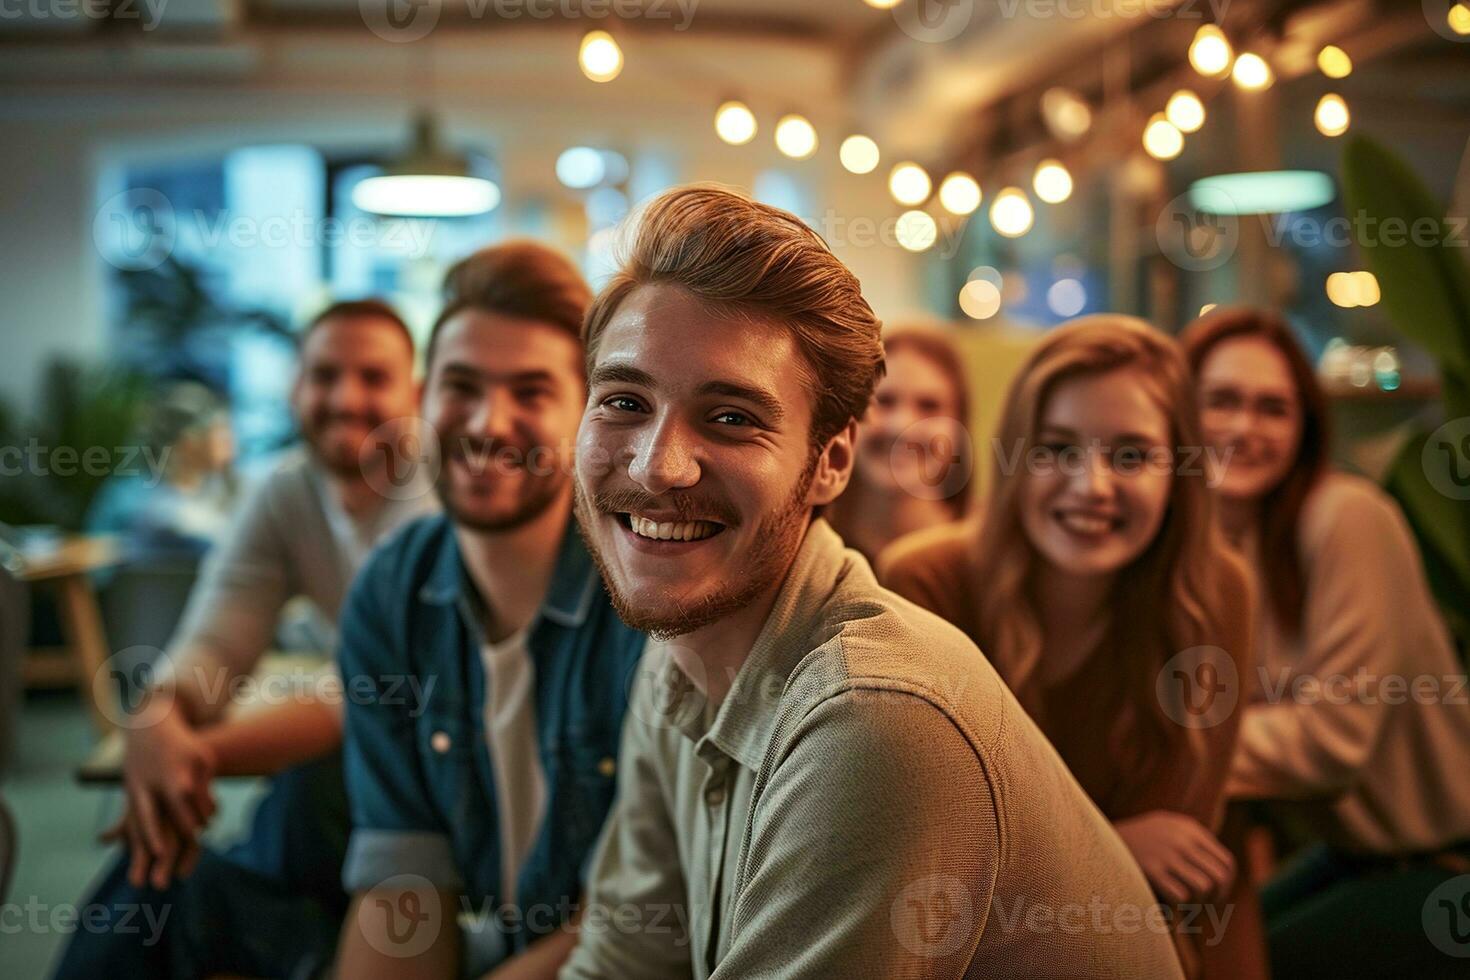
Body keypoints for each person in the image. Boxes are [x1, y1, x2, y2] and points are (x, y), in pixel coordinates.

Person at [558, 186, 1185, 979]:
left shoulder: (874, 717)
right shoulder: (674, 655)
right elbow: (624, 962)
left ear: (831, 463)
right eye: (623, 401)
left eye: (730, 419)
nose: (658, 465)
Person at [53, 299, 438, 980]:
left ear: (415, 392)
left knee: (262, 822)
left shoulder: (442, 494)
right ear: (294, 388)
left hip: (437, 813)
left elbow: (368, 694)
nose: (345, 397)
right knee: (160, 872)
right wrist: (158, 713)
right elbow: (214, 643)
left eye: (373, 377)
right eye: (324, 375)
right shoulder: (284, 490)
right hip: (340, 804)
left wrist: (186, 757)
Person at [879, 315, 1263, 979]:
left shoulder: (1216, 589)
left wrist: (1052, 851)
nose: (1092, 485)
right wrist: (1115, 844)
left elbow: (1179, 849)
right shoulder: (926, 579)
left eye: (1132, 455)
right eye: (1056, 449)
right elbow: (930, 853)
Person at [332, 242, 647, 979]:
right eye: (462, 385)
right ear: (422, 396)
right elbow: (400, 882)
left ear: (586, 415)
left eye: (531, 392)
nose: (487, 423)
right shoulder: (390, 592)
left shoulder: (643, 592)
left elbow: (643, 913)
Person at [1181, 306, 1470, 979]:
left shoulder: (1345, 518)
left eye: (1272, 408)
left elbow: (1331, 740)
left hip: (1442, 863)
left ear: (1303, 427)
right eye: (1221, 401)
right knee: (1187, 949)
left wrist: (1161, 748)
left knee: (1240, 965)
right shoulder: (1207, 548)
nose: (1244, 428)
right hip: (1351, 856)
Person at [824, 324, 972, 561]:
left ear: (959, 423)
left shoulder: (987, 557)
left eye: (928, 406)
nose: (901, 426)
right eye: (885, 401)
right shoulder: (804, 551)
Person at [86, 380, 237, 566]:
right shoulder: (132, 498)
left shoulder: (217, 490)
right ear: (189, 442)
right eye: (220, 434)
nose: (231, 445)